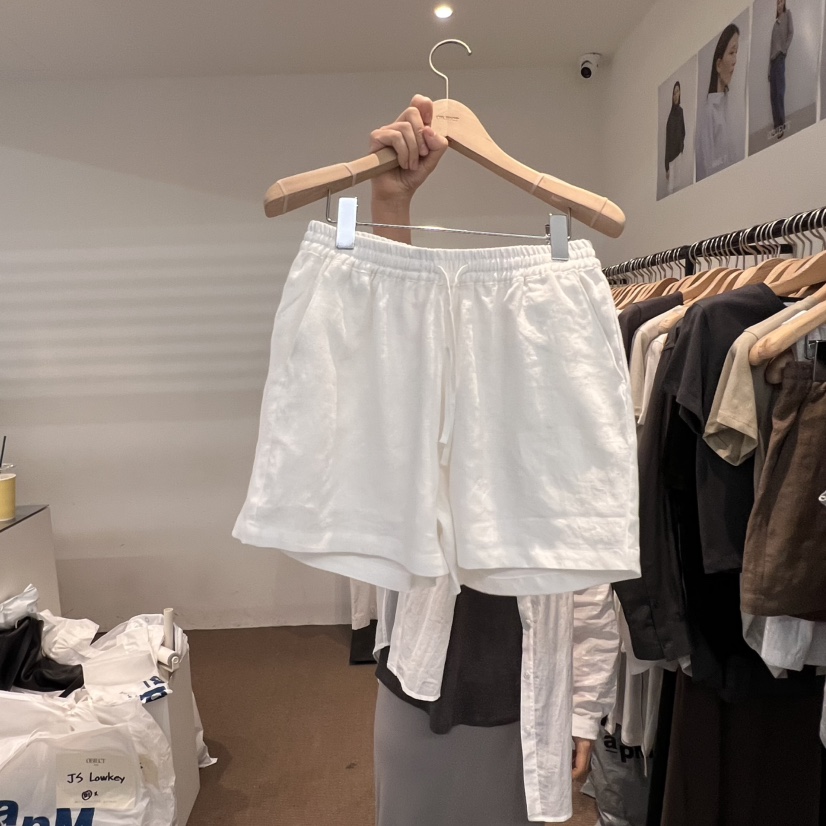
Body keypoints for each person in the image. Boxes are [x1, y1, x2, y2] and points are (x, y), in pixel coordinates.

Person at [366, 95, 619, 826]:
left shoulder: (564, 419)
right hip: (420, 674)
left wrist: (585, 707)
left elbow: (590, 575)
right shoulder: (436, 402)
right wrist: (390, 205)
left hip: (523, 690)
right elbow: (395, 349)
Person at [696, 23, 740, 181]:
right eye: (732, 52)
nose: (735, 60)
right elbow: (707, 168)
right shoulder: (709, 111)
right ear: (719, 64)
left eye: (736, 53)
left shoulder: (728, 106)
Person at [769, 0, 794, 137]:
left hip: (779, 59)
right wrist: (768, 70)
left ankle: (781, 125)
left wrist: (784, 49)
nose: (779, 5)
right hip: (773, 62)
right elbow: (771, 48)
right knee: (773, 96)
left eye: (781, 2)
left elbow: (791, 32)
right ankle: (776, 126)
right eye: (777, 3)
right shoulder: (775, 24)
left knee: (779, 93)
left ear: (784, 3)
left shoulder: (787, 15)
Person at [664, 81, 686, 195]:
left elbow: (683, 131)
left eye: (677, 91)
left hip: (678, 155)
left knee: (679, 189)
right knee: (670, 190)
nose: (676, 95)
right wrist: (666, 166)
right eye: (674, 93)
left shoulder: (680, 112)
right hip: (671, 158)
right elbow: (667, 142)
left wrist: (681, 147)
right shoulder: (670, 116)